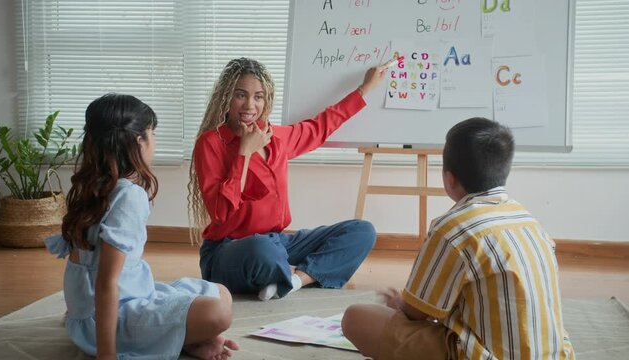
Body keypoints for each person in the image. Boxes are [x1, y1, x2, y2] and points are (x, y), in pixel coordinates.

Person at [341, 118, 575, 360]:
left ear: (449, 178)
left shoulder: (452, 228)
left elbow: (416, 313)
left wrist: (400, 302)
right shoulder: (527, 220)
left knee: (356, 317)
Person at [45, 94, 239, 360]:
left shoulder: (94, 188)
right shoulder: (128, 197)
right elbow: (106, 282)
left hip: (100, 309)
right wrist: (106, 355)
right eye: (152, 133)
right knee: (218, 312)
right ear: (139, 141)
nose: (154, 141)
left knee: (220, 292)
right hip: (112, 319)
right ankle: (180, 340)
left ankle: (185, 340)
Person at [187, 57, 389, 301]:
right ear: (226, 98)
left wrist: (365, 88)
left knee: (362, 231)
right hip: (230, 249)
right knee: (261, 250)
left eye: (258, 97)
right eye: (241, 95)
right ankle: (291, 272)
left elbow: (321, 126)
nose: (250, 105)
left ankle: (294, 279)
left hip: (277, 243)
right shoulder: (211, 143)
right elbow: (221, 212)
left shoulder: (277, 137)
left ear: (266, 100)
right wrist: (245, 152)